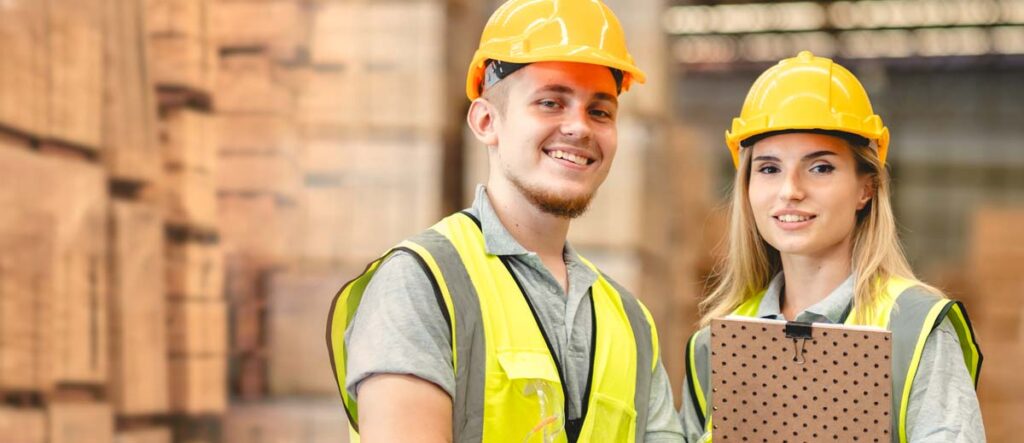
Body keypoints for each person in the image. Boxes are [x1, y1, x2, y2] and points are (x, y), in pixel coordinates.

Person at [327, 0, 685, 441]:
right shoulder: (423, 284)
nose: (580, 128)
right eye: (551, 102)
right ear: (485, 120)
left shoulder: (630, 321)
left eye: (600, 111)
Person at [678, 51, 984, 443]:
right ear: (747, 187)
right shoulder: (715, 345)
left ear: (865, 188)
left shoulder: (914, 327)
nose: (790, 191)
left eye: (820, 167)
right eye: (769, 169)